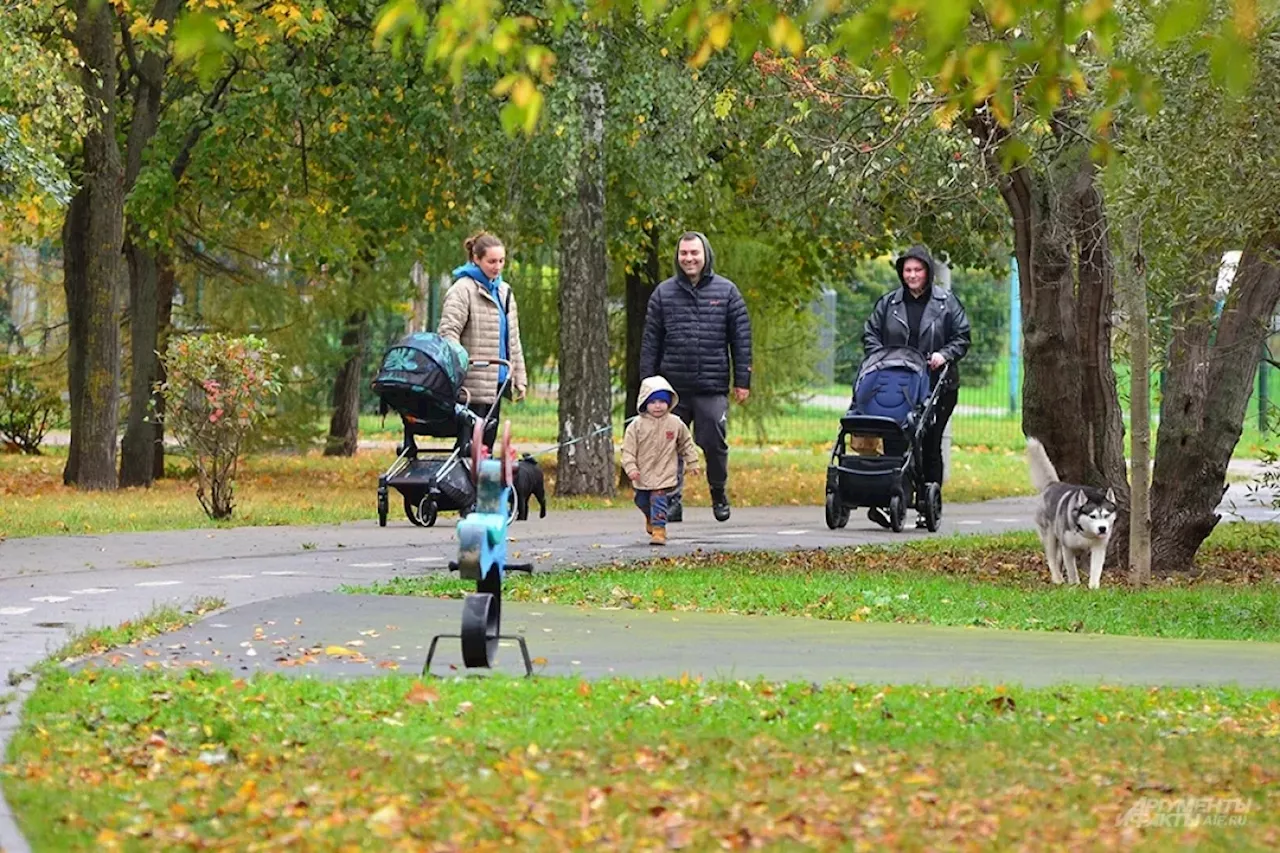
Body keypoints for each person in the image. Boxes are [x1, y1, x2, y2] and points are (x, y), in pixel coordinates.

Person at [639, 231, 752, 523]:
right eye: (684, 253)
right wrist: (648, 384)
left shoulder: (727, 292)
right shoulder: (663, 293)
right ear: (678, 257)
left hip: (711, 387)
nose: (689, 258)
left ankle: (718, 492)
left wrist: (743, 381)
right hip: (671, 389)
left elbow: (741, 339)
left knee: (714, 441)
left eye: (694, 253)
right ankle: (672, 501)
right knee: (667, 445)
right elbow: (650, 341)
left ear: (705, 256)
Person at [862, 244, 971, 528]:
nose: (912, 275)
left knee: (929, 443)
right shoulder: (889, 304)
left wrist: (943, 355)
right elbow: (870, 334)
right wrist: (882, 357)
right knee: (894, 440)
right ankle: (892, 496)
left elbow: (962, 337)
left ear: (928, 272)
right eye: (907, 270)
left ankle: (927, 501)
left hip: (937, 385)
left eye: (917, 270)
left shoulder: (946, 303)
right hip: (897, 383)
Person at [438, 231, 528, 449]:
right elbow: (448, 333)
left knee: (486, 447)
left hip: (497, 381)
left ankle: (484, 482)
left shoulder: (504, 291)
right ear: (476, 259)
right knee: (468, 446)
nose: (497, 267)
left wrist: (519, 377)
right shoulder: (462, 290)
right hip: (471, 384)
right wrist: (461, 365)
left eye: (501, 261)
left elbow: (512, 338)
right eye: (491, 261)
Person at [622, 376, 701, 546]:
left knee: (658, 498)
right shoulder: (636, 426)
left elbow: (686, 443)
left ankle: (659, 530)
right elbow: (628, 450)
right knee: (641, 500)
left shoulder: (675, 423)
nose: (658, 406)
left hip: (665, 471)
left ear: (669, 402)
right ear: (644, 403)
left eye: (662, 401)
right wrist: (630, 468)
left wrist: (692, 462)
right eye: (653, 402)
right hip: (642, 473)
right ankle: (650, 517)